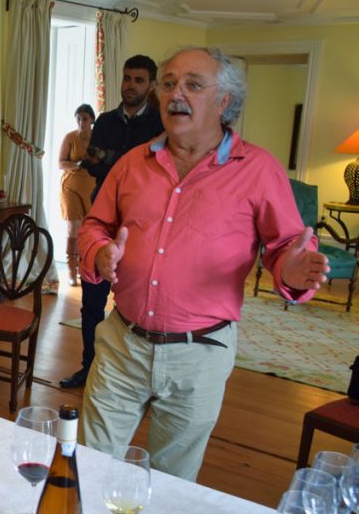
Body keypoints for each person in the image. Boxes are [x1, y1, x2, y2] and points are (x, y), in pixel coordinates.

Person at [78, 46, 329, 481]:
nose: (177, 94)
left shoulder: (259, 169)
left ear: (224, 101)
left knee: (172, 487)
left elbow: (287, 243)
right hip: (123, 344)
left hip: (199, 356)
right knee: (86, 469)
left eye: (193, 85)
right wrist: (99, 252)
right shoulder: (131, 164)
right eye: (170, 83)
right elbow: (96, 223)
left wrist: (289, 268)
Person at [59, 55, 164, 389]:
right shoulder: (104, 121)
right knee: (91, 303)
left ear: (151, 85)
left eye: (138, 80)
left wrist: (109, 159)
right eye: (127, 78)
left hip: (145, 227)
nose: (130, 85)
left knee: (140, 308)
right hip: (103, 221)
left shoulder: (160, 124)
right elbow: (94, 165)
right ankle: (89, 368)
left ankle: (133, 380)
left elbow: (152, 170)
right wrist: (107, 160)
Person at [57, 103, 96, 286]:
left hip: (91, 188)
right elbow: (60, 163)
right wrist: (78, 165)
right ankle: (71, 270)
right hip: (70, 187)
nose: (81, 122)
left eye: (85, 119)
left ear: (92, 120)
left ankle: (84, 268)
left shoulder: (98, 138)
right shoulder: (70, 138)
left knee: (89, 229)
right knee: (73, 228)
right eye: (79, 119)